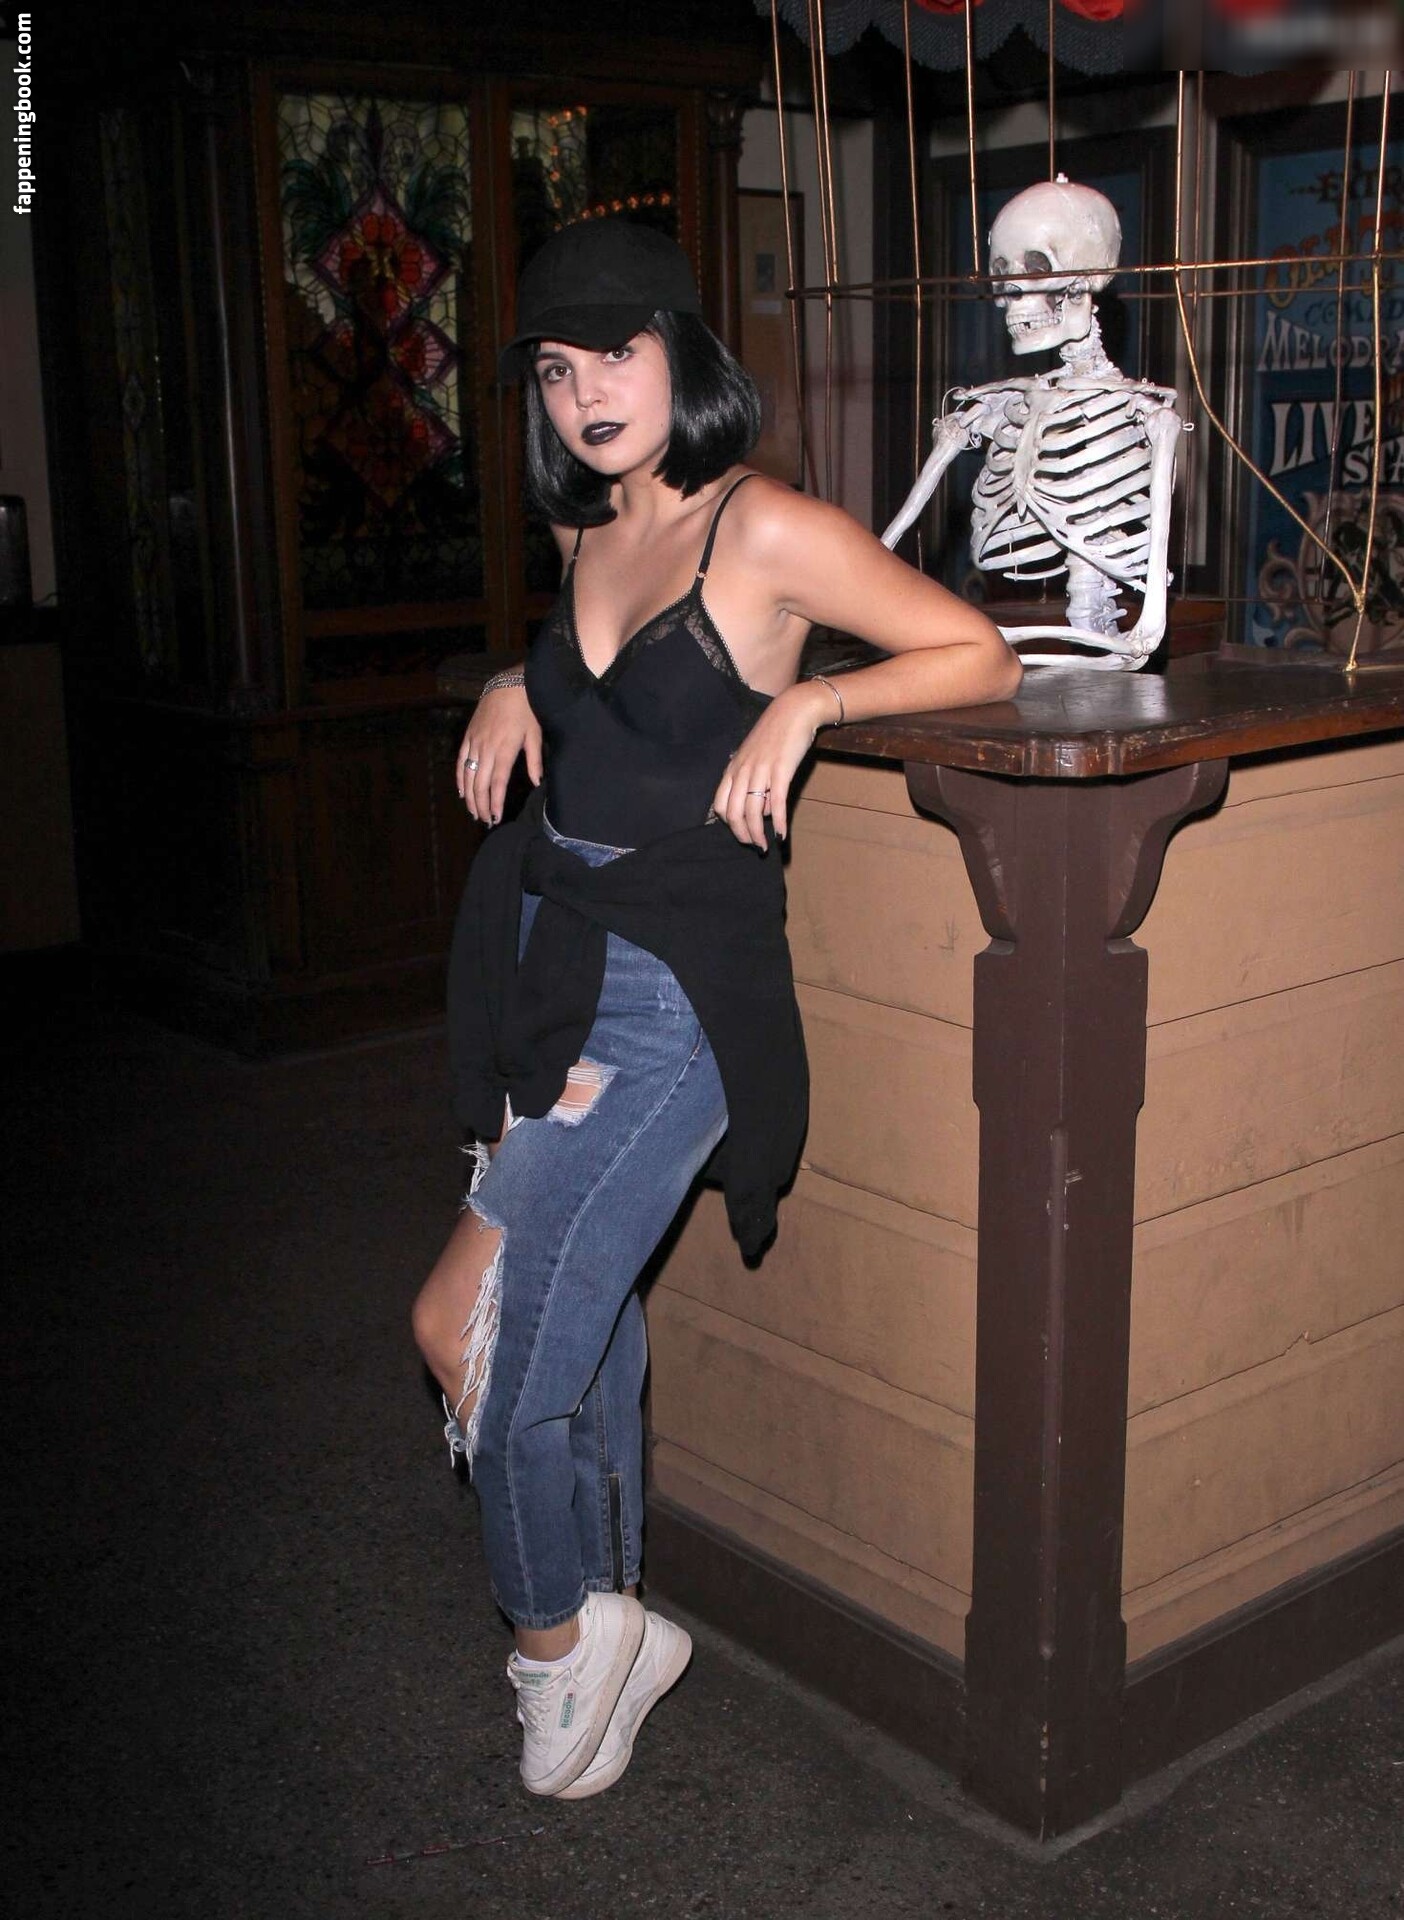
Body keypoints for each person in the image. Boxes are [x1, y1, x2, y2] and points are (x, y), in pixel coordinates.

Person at [412, 217, 1020, 1803]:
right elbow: (595, 693)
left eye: (616, 354)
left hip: (669, 1005)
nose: (587, 394)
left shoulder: (763, 529)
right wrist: (515, 680)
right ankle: (609, 1613)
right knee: (557, 1333)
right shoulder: (589, 530)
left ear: (683, 355)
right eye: (557, 369)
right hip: (552, 970)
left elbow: (979, 652)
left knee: (487, 1352)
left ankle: (557, 1645)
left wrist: (814, 696)